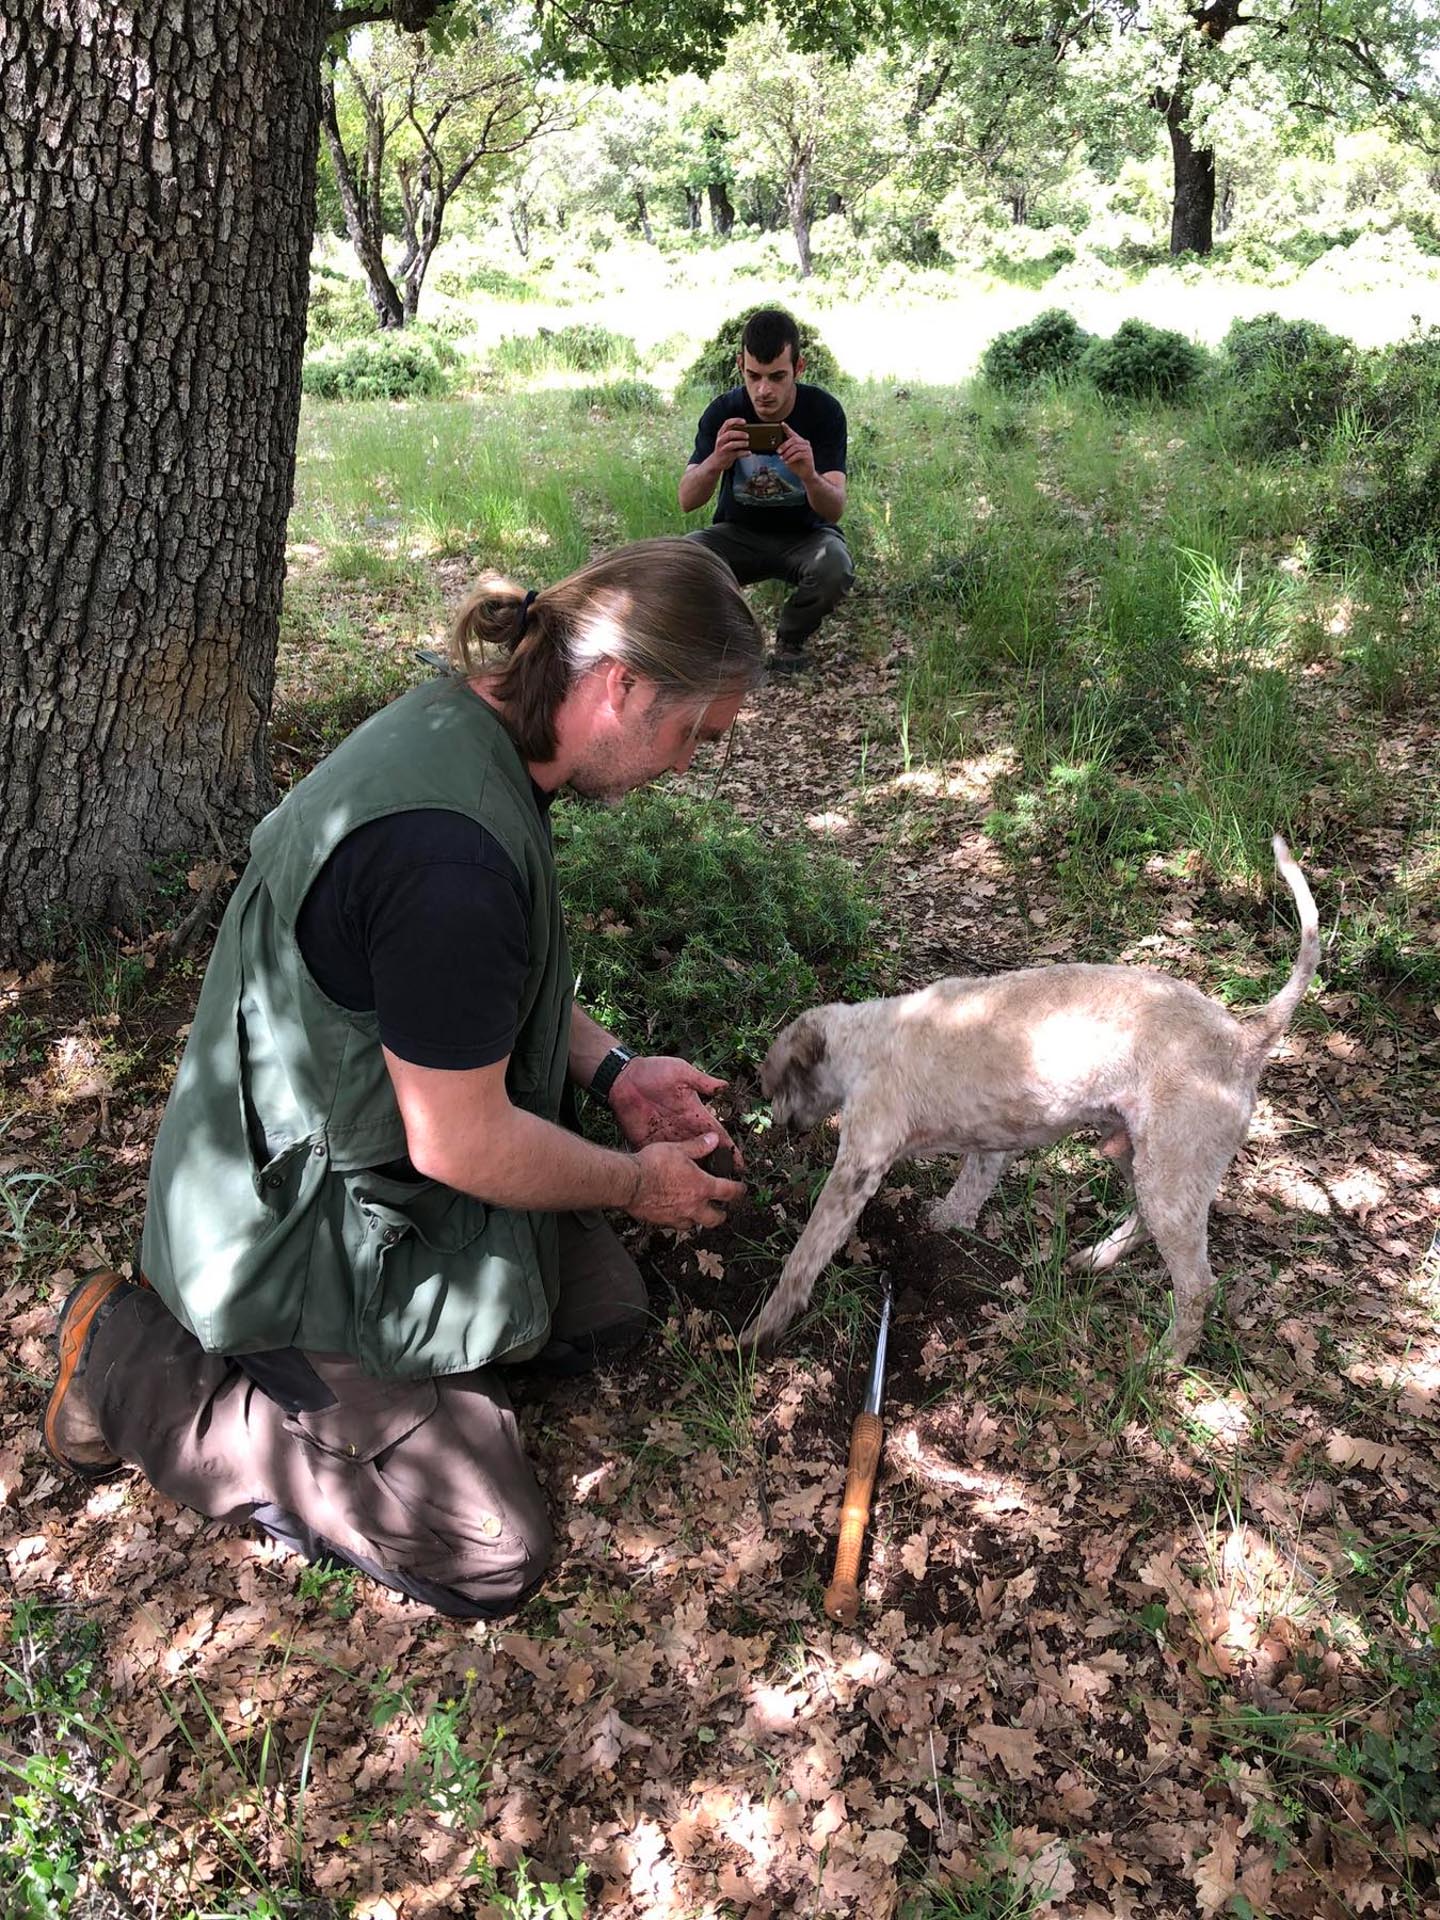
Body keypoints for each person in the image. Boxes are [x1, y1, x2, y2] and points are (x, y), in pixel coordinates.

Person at [43, 537, 757, 1620]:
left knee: (605, 1304)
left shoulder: (477, 726)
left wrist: (610, 1070)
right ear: (622, 687)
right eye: (693, 734)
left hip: (374, 1156)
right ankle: (126, 1361)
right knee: (487, 1547)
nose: (686, 766)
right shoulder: (449, 858)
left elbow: (456, 995)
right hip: (293, 1219)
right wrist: (635, 1182)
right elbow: (460, 1142)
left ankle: (422, 1386)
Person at [680, 306, 853, 673]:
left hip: (806, 535)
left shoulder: (823, 411)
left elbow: (835, 508)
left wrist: (808, 474)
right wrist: (715, 462)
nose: (764, 391)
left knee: (836, 565)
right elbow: (687, 500)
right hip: (737, 534)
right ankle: (727, 639)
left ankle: (790, 639)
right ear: (740, 364)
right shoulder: (723, 412)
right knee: (682, 560)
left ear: (799, 368)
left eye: (777, 377)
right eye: (753, 376)